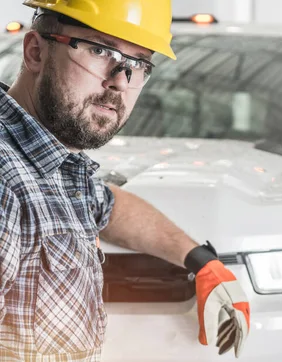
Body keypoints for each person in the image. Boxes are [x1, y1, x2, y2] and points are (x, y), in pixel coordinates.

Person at [0, 1, 250, 361]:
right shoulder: (7, 183)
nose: (120, 80)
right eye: (101, 50)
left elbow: (109, 206)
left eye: (139, 64)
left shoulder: (55, 166)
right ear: (36, 52)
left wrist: (201, 260)